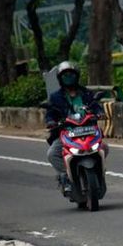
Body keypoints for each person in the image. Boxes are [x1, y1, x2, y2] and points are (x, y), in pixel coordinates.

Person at [44, 61, 105, 194]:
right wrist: (50, 121)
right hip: (66, 133)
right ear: (60, 78)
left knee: (104, 148)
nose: (68, 77)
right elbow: (50, 113)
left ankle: (99, 172)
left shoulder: (87, 94)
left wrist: (99, 113)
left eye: (71, 74)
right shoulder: (56, 97)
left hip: (88, 131)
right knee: (52, 154)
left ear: (77, 76)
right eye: (65, 75)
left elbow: (95, 106)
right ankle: (65, 177)